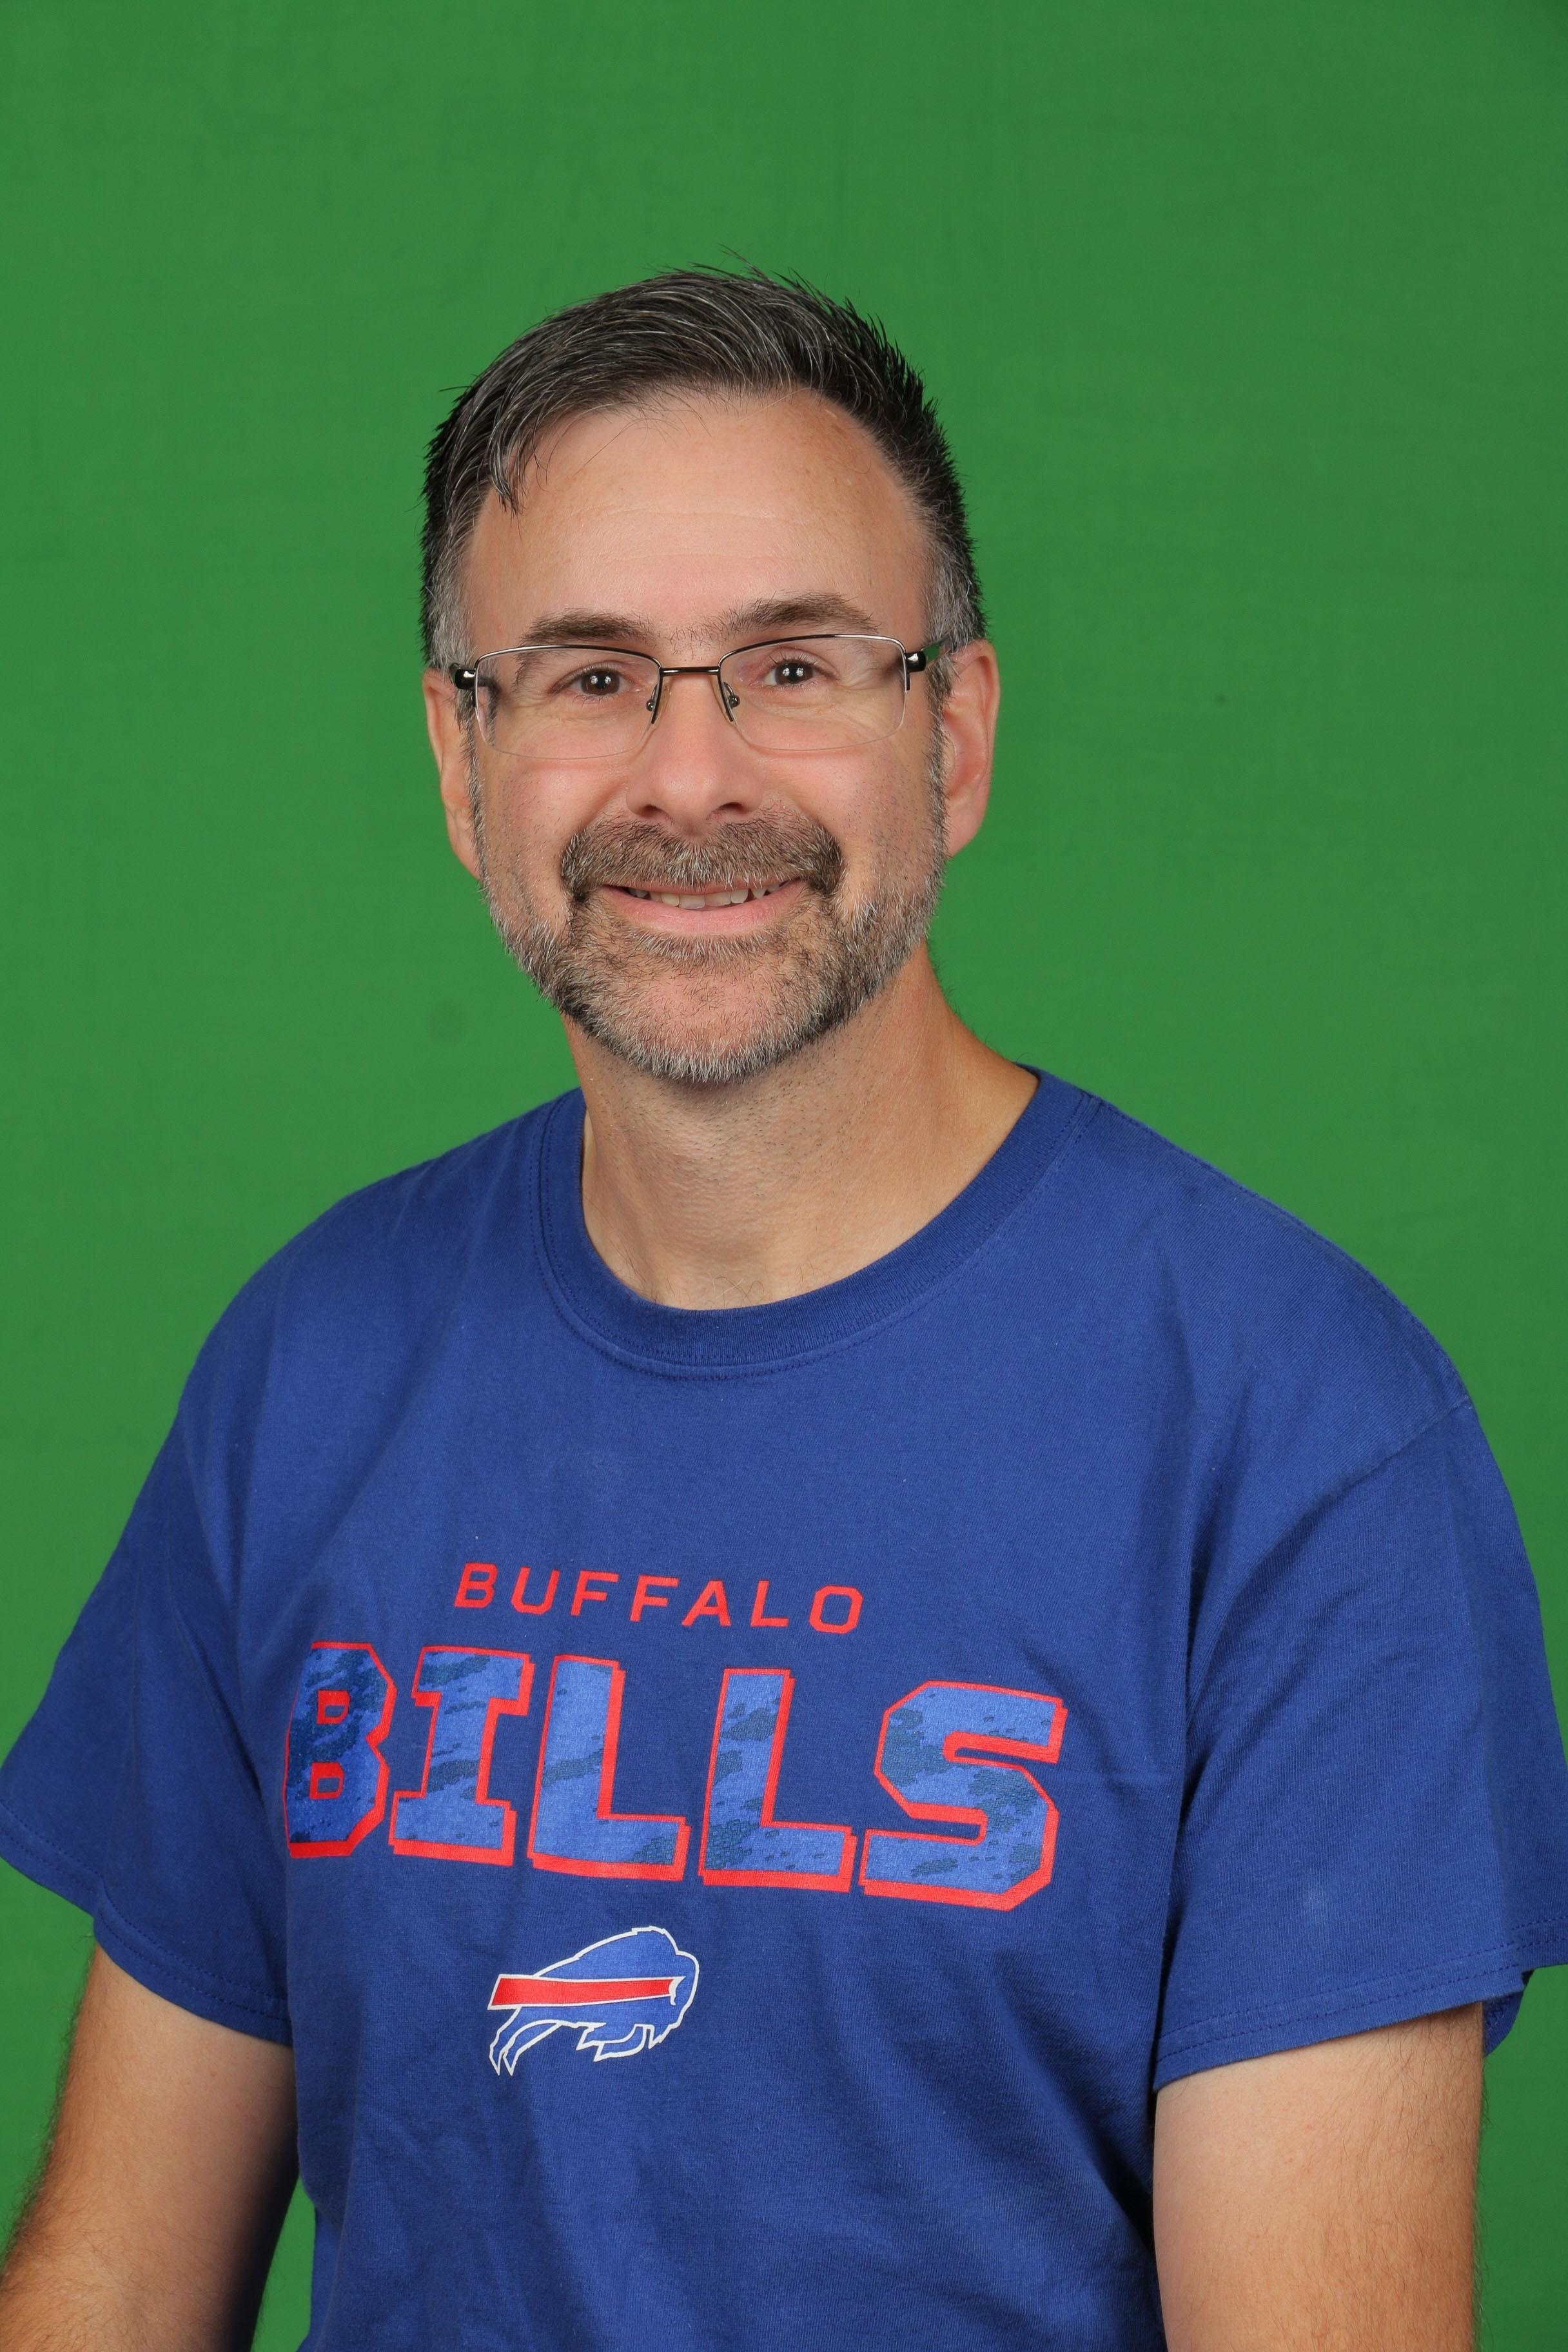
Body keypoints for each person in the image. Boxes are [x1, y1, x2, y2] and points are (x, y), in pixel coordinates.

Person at [0, 268, 1564, 2352]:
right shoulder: (313, 1364)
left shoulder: (1296, 1434)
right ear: (463, 759)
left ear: (956, 736)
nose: (689, 775)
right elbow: (113, 2284)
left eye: (793, 666)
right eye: (589, 676)